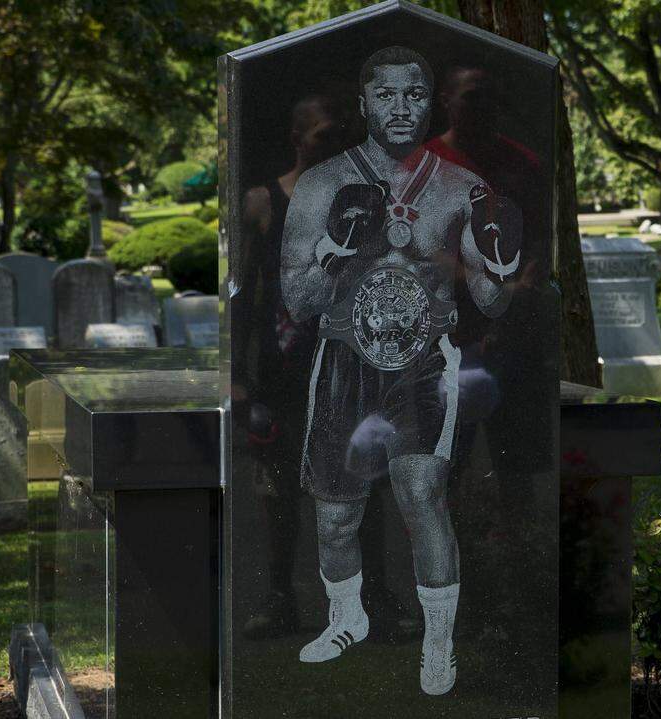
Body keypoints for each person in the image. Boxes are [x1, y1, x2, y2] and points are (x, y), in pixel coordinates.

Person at [280, 45, 523, 696]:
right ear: (364, 104)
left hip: (423, 360)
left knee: (421, 495)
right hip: (342, 357)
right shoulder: (320, 183)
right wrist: (336, 249)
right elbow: (296, 300)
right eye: (385, 95)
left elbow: (491, 300)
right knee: (335, 517)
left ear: (430, 100)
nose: (400, 107)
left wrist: (498, 265)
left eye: (414, 94)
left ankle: (439, 645)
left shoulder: (461, 187)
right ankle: (346, 616)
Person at [231, 92, 346, 638]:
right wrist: (235, 375)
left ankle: (368, 598)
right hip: (282, 369)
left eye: (337, 135)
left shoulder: (362, 199)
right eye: (321, 134)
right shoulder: (263, 202)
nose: (331, 145)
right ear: (298, 138)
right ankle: (280, 598)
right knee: (277, 491)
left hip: (347, 367)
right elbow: (242, 294)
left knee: (355, 486)